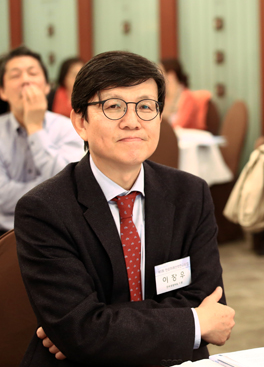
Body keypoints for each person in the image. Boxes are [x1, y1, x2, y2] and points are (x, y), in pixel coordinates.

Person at [15, 50, 234, 366]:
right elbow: (81, 331)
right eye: (113, 106)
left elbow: (209, 299)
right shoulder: (44, 209)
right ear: (80, 122)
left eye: (145, 107)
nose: (132, 122)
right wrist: (194, 323)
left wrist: (98, 329)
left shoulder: (190, 194)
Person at [0, 46, 83, 233]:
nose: (25, 80)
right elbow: (2, 197)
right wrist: (50, 190)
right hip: (5, 235)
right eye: (15, 75)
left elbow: (72, 186)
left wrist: (35, 128)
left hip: (59, 231)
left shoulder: (69, 127)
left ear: (46, 87)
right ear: (2, 91)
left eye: (33, 73)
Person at [160, 58, 211, 130]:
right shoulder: (163, 97)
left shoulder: (187, 98)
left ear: (171, 76)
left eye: (160, 73)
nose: (157, 77)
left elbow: (179, 124)